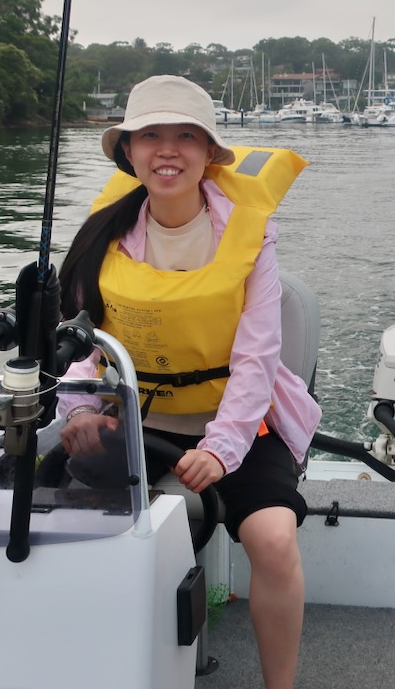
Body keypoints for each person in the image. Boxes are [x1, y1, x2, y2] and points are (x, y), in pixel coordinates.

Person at [56, 75, 321, 689]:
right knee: (73, 528)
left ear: (208, 153)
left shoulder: (250, 235)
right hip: (135, 418)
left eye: (185, 137)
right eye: (150, 136)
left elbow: (258, 358)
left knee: (276, 540)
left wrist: (221, 449)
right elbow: (79, 346)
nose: (167, 150)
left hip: (237, 422)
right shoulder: (102, 237)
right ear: (128, 152)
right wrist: (78, 411)